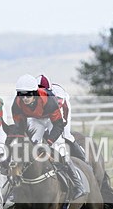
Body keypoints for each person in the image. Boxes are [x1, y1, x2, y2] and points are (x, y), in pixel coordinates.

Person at [12, 73, 88, 201]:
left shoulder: (49, 100)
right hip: (37, 119)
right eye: (21, 94)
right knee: (32, 145)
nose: (24, 98)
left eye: (28, 94)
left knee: (59, 147)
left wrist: (48, 142)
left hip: (54, 120)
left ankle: (78, 184)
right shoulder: (17, 103)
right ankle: (18, 185)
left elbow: (58, 125)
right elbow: (20, 126)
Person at [37, 74, 86, 161]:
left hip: (62, 109)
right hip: (45, 112)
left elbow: (57, 121)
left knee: (66, 135)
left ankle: (83, 158)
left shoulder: (56, 97)